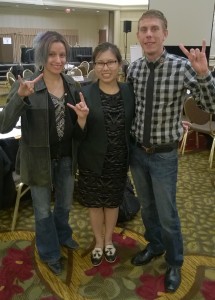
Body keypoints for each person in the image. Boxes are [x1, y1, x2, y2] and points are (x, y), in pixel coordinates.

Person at [127, 9, 215, 293]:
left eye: (155, 29)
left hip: (164, 155)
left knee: (167, 213)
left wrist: (204, 75)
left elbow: (210, 106)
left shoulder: (182, 67)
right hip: (137, 152)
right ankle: (153, 245)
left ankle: (175, 261)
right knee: (148, 208)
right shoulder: (134, 69)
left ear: (165, 33)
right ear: (139, 35)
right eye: (144, 30)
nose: (149, 34)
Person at [0, 31, 89, 275]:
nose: (58, 60)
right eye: (52, 54)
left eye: (62, 55)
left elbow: (78, 130)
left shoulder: (72, 84)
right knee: (42, 210)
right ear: (42, 55)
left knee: (64, 206)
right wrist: (19, 98)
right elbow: (4, 125)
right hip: (38, 161)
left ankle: (62, 235)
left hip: (67, 158)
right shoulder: (28, 86)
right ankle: (49, 251)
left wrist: (82, 120)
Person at [69, 42, 135, 266]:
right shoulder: (84, 92)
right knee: (95, 204)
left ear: (119, 64)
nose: (106, 68)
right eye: (100, 63)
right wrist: (81, 119)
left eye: (111, 62)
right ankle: (98, 242)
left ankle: (109, 241)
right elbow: (77, 136)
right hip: (92, 161)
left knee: (113, 202)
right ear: (94, 66)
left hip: (119, 160)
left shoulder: (128, 91)